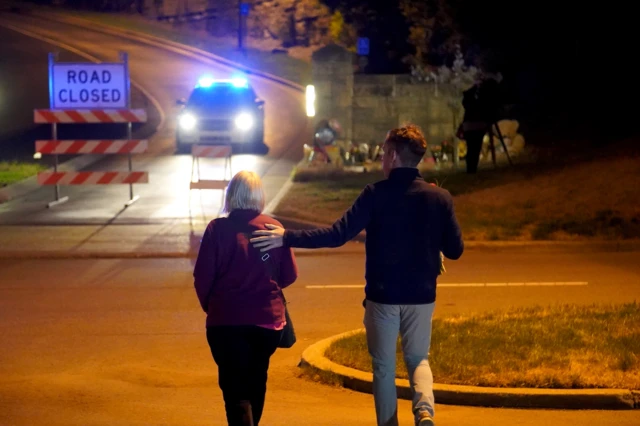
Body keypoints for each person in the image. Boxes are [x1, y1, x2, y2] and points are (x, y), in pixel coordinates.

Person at [251, 124, 464, 426]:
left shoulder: (375, 195)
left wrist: (287, 237)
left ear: (392, 155)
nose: (380, 157)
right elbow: (455, 250)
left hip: (382, 296)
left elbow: (337, 234)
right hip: (422, 295)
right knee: (419, 359)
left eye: (383, 151)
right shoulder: (439, 198)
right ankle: (425, 411)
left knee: (384, 367)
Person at [193, 170, 298, 426]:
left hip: (225, 322)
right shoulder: (274, 227)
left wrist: (211, 306)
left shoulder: (217, 229)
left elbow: (202, 277)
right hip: (267, 321)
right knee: (257, 380)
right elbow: (290, 275)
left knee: (234, 388)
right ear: (259, 195)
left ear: (231, 196)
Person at [461, 72, 503, 173]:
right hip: (476, 125)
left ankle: (471, 169)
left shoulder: (471, 95)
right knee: (474, 149)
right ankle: (471, 169)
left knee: (472, 149)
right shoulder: (477, 95)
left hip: (471, 126)